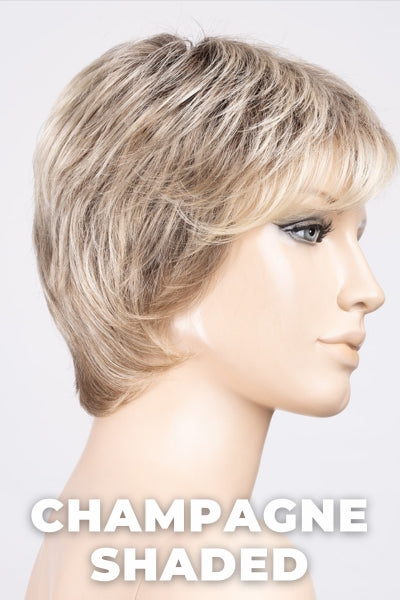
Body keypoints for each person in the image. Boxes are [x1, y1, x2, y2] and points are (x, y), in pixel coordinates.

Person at [26, 33, 397, 599]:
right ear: (159, 254)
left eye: (356, 236)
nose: (368, 290)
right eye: (308, 230)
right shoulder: (237, 568)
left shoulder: (79, 526)